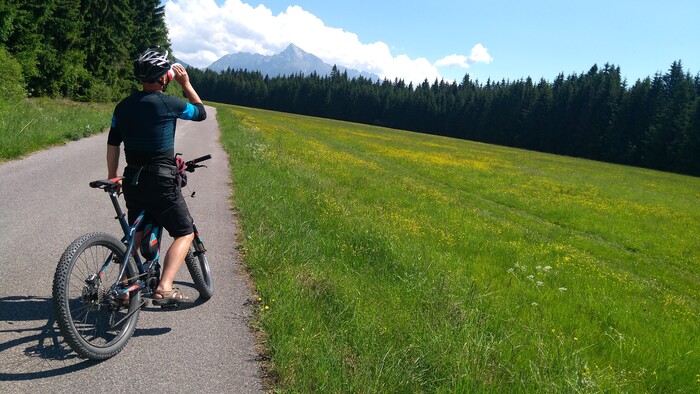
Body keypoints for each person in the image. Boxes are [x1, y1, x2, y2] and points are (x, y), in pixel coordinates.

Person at [106, 48, 207, 307]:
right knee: (184, 233)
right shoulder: (169, 103)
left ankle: (127, 289)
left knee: (136, 235)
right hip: (161, 181)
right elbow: (200, 112)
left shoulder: (123, 106)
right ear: (165, 78)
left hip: (132, 181)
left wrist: (112, 175)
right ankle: (164, 287)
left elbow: (113, 143)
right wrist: (186, 83)